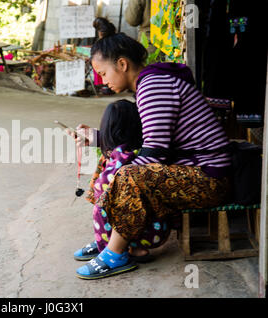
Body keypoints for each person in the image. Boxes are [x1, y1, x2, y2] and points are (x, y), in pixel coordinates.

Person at [70, 33, 232, 280]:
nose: (102, 82)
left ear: (122, 64)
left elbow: (154, 152)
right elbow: (144, 140)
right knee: (114, 161)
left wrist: (117, 179)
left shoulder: (153, 85)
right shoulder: (150, 84)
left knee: (127, 175)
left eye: (103, 73)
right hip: (192, 170)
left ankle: (115, 252)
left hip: (207, 178)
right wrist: (98, 138)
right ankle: (108, 236)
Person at [73, 100, 172, 267]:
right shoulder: (143, 150)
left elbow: (102, 190)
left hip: (148, 232)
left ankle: (112, 248)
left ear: (109, 130)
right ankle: (128, 248)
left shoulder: (121, 157)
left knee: (105, 204)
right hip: (158, 228)